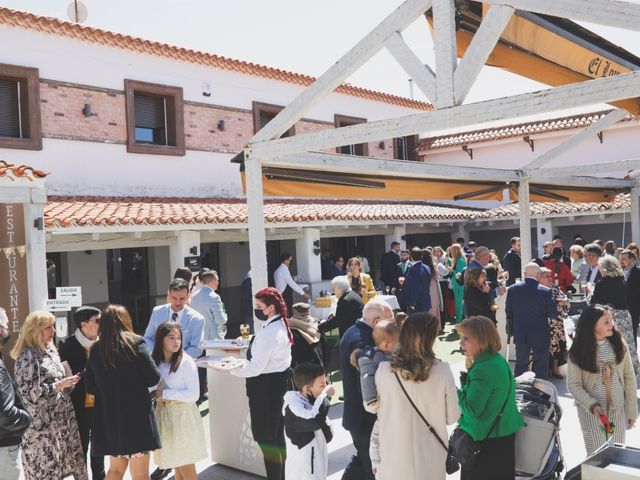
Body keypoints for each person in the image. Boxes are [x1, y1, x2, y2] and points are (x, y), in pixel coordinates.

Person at [373, 312, 459, 480]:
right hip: (431, 456)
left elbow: (379, 410)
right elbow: (452, 417)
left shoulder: (383, 370)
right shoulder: (442, 370)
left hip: (394, 456)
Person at [86, 305, 161, 479]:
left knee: (116, 470)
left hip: (111, 418)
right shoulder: (136, 343)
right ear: (126, 320)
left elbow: (90, 387)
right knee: (141, 475)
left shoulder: (96, 349)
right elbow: (153, 378)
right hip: (137, 418)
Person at [11, 311, 87, 480]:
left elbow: (57, 389)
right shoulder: (27, 356)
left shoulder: (50, 351)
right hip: (42, 432)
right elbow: (30, 396)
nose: (53, 330)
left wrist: (68, 384)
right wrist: (59, 385)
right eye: (48, 327)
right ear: (34, 330)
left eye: (53, 326)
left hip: (61, 426)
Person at [229, 287, 293, 480]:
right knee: (277, 437)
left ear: (271, 308)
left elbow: (255, 368)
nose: (256, 309)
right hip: (278, 385)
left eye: (259, 306)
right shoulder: (281, 324)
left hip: (265, 390)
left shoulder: (270, 332)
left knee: (267, 441)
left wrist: (231, 368)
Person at [456, 316, 524, 480]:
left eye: (466, 339)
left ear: (482, 340)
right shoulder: (496, 360)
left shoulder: (482, 369)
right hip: (502, 436)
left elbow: (472, 410)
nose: (461, 343)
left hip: (486, 443)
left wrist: (453, 391)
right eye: (461, 338)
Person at [567, 305, 638, 456]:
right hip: (593, 414)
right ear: (591, 325)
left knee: (617, 454)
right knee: (597, 456)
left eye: (611, 320)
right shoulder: (578, 351)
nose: (611, 324)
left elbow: (629, 377)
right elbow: (574, 385)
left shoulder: (619, 345)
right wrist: (591, 404)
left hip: (617, 411)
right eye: (606, 322)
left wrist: (631, 410)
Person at [340, 300, 393, 480]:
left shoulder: (355, 331)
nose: (392, 327)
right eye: (390, 322)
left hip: (358, 416)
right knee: (371, 469)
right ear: (377, 321)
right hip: (365, 418)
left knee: (363, 462)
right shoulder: (363, 341)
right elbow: (367, 384)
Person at [150, 322, 206, 480]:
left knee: (186, 465)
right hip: (164, 414)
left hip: (183, 416)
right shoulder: (156, 361)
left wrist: (165, 393)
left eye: (179, 338)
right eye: (171, 338)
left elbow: (194, 394)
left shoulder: (186, 362)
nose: (176, 342)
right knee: (176, 463)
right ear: (161, 339)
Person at [58, 306, 105, 480]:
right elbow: (68, 375)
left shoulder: (104, 342)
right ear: (84, 325)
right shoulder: (66, 345)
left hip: (101, 400)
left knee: (100, 443)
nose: (102, 324)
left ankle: (99, 476)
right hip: (78, 401)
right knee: (82, 443)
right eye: (98, 320)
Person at [589, 255, 640, 378]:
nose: (599, 269)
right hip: (625, 316)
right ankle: (631, 371)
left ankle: (614, 373)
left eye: (600, 267)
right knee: (627, 345)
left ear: (605, 268)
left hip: (610, 318)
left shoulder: (602, 283)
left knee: (611, 346)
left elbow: (594, 303)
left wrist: (590, 291)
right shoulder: (622, 280)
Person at [282, 362, 334, 480]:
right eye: (322, 385)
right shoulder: (293, 407)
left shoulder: (313, 402)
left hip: (317, 467)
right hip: (303, 472)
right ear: (307, 389)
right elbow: (314, 421)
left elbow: (328, 436)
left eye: (326, 383)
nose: (326, 387)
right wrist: (324, 397)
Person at [505, 262, 557, 380]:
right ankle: (541, 393)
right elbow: (553, 314)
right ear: (538, 274)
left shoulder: (513, 289)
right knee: (541, 366)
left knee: (521, 365)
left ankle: (518, 393)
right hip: (540, 333)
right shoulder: (545, 291)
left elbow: (508, 311)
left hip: (521, 332)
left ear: (524, 274)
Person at [0, 307, 31, 480]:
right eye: (5, 324)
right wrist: (26, 418)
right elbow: (4, 412)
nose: (7, 328)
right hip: (4, 447)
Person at [144, 279, 205, 359]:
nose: (177, 303)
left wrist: (173, 358)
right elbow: (148, 337)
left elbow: (197, 348)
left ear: (188, 296)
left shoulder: (197, 319)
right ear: (168, 294)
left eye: (182, 298)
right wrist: (158, 354)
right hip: (158, 362)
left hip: (183, 365)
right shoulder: (157, 312)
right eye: (174, 298)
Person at [352, 321, 400, 412]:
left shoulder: (389, 354)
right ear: (386, 345)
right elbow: (367, 377)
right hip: (380, 399)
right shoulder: (369, 357)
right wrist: (371, 399)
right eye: (397, 344)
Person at [538, 268, 569, 378]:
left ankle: (555, 368)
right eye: (547, 276)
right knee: (548, 346)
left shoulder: (555, 289)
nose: (550, 279)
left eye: (550, 276)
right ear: (539, 277)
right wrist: (557, 302)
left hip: (557, 322)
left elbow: (564, 298)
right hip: (544, 323)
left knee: (558, 345)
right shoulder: (537, 290)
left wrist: (565, 301)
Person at [190, 269, 227, 341]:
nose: (218, 283)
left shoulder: (194, 296)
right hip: (213, 337)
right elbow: (221, 320)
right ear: (213, 281)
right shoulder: (214, 297)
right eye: (217, 280)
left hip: (199, 336)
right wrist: (224, 313)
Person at [289, 303, 324, 368]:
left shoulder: (293, 331)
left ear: (295, 312)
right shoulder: (315, 324)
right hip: (319, 364)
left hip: (303, 368)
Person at [398, 247, 431, 313]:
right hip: (425, 300)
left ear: (411, 257)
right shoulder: (426, 267)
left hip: (416, 303)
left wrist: (412, 302)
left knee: (415, 322)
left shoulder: (414, 269)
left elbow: (414, 287)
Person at [620, 249, 640, 343]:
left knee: (632, 334)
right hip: (620, 308)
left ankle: (634, 356)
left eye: (624, 259)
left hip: (634, 309)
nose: (621, 261)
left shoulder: (638, 272)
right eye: (620, 258)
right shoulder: (618, 272)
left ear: (632, 259)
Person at [422, 248, 443, 327]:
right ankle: (435, 326)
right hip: (433, 288)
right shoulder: (433, 265)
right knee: (434, 308)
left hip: (424, 288)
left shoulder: (421, 266)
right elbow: (437, 277)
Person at [450, 243, 467, 323]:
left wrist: (451, 270)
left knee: (459, 304)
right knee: (459, 303)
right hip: (457, 284)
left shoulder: (460, 260)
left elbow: (459, 273)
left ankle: (459, 322)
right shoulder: (460, 259)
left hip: (458, 285)